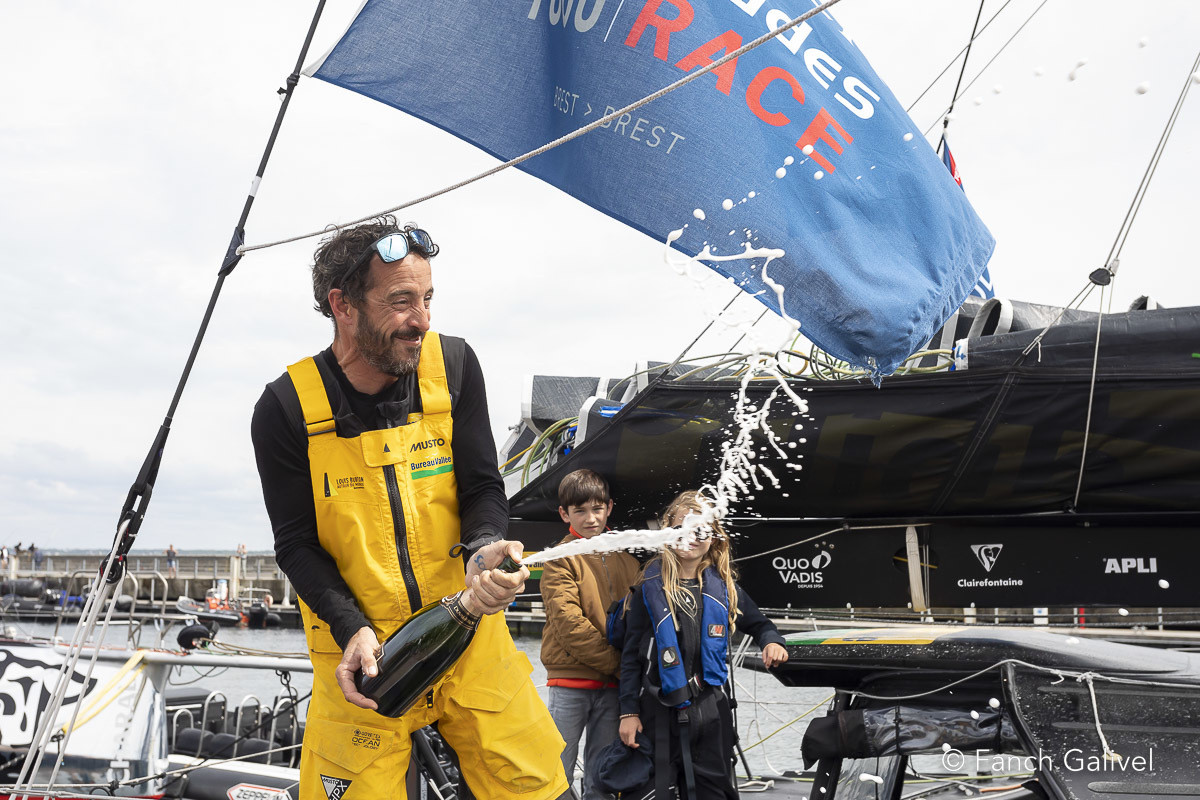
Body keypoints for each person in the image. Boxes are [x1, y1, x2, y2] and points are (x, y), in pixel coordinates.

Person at [251, 218, 568, 800]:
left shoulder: (455, 366)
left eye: (426, 299)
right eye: (400, 301)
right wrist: (351, 629)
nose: (421, 320)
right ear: (342, 304)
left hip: (470, 633)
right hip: (363, 664)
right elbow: (296, 544)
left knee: (537, 787)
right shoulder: (285, 407)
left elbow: (482, 487)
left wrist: (483, 548)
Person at [617, 491, 789, 800]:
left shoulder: (723, 587)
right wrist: (628, 713)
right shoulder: (648, 587)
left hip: (710, 712)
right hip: (658, 712)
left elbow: (761, 625)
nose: (691, 536)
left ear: (714, 535)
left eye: (700, 529)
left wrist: (771, 642)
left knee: (714, 793)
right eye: (683, 527)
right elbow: (630, 656)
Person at [540, 469, 640, 800]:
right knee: (555, 776)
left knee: (603, 776)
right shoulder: (558, 558)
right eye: (580, 510)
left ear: (609, 508)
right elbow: (570, 626)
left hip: (614, 686)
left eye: (597, 509)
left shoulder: (628, 558)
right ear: (564, 514)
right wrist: (621, 666)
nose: (590, 518)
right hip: (572, 682)